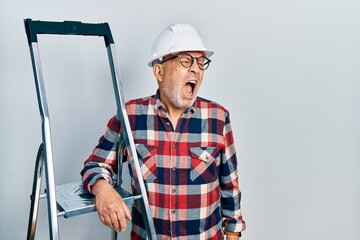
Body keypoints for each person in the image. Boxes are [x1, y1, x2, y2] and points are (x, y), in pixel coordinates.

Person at [81, 23, 246, 239]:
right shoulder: (130, 116)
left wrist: (233, 235)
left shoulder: (218, 118)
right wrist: (103, 189)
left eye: (200, 62)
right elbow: (96, 164)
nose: (196, 69)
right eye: (186, 60)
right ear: (159, 71)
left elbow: (230, 187)